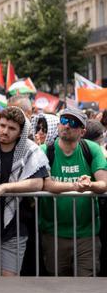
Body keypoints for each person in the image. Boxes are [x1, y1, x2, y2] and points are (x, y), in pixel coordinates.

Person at [0, 106, 47, 277]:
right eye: (2, 125)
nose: (5, 131)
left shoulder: (30, 150)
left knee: (9, 280)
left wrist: (5, 187)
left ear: (20, 132)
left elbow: (38, 183)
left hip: (15, 227)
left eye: (12, 128)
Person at [39, 108, 107, 276]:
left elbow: (104, 183)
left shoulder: (92, 149)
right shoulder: (45, 150)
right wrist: (76, 186)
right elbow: (46, 184)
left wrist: (89, 185)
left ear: (82, 132)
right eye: (64, 121)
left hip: (87, 235)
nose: (67, 126)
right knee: (57, 285)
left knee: (86, 284)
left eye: (73, 123)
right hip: (54, 233)